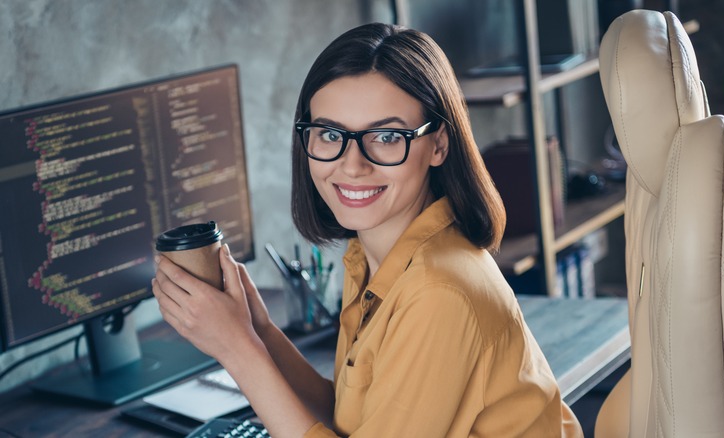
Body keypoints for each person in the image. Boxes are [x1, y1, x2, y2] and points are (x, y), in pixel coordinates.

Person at [153, 22, 583, 437]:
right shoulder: (375, 259)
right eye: (329, 134)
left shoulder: (439, 292)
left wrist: (236, 350)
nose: (352, 165)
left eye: (387, 137)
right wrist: (258, 331)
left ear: (438, 144)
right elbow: (348, 421)